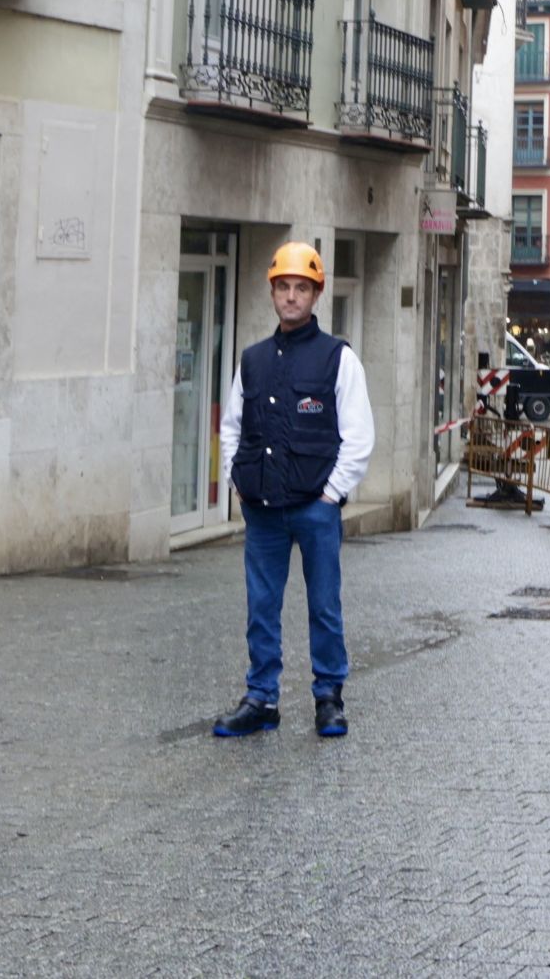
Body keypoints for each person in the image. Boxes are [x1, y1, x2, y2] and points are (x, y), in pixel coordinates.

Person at [213, 242, 375, 739]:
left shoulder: (337, 359)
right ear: (272, 292)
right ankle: (261, 698)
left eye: (300, 288)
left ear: (316, 294)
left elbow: (359, 436)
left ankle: (329, 697)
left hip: (314, 507)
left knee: (324, 605)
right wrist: (237, 481)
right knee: (261, 607)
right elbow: (232, 427)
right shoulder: (253, 359)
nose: (290, 296)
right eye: (283, 287)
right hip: (262, 510)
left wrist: (331, 494)